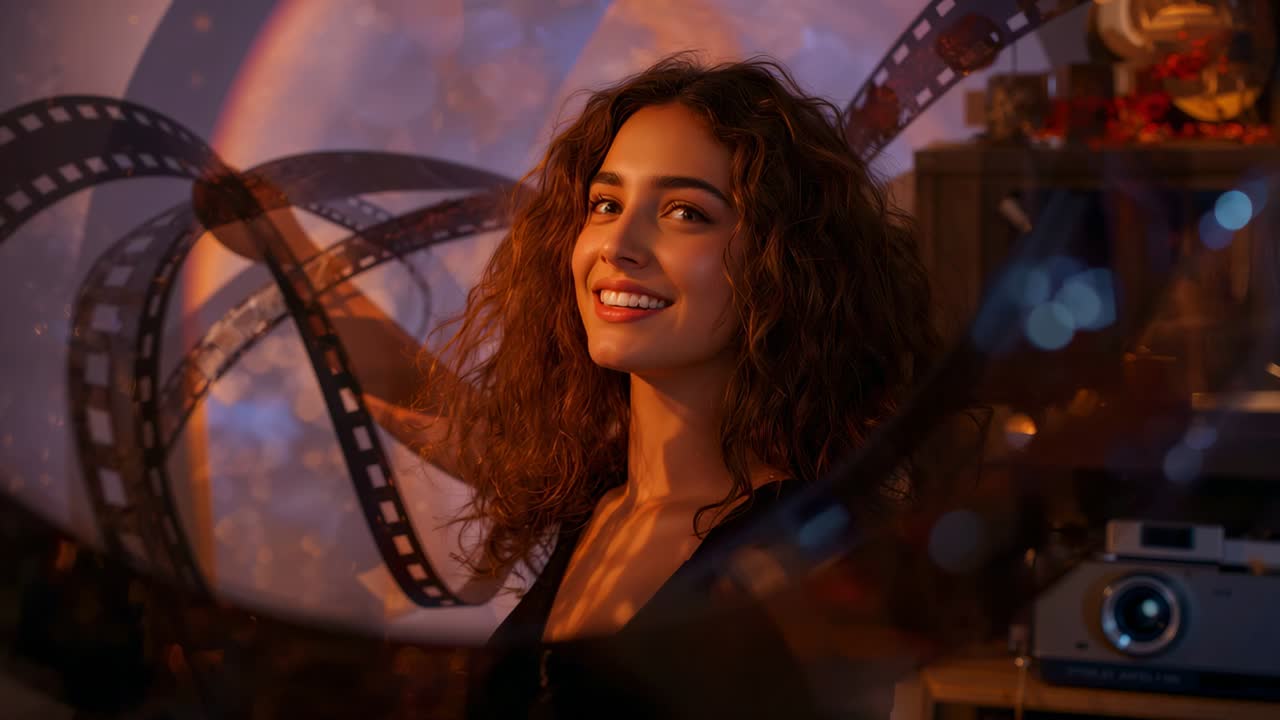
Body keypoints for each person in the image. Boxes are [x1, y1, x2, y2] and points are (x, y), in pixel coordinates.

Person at [241, 52, 941, 716]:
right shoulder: (598, 500)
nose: (618, 244)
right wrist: (286, 244)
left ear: (785, 265)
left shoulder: (805, 556)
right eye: (605, 204)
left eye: (686, 213)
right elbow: (410, 390)